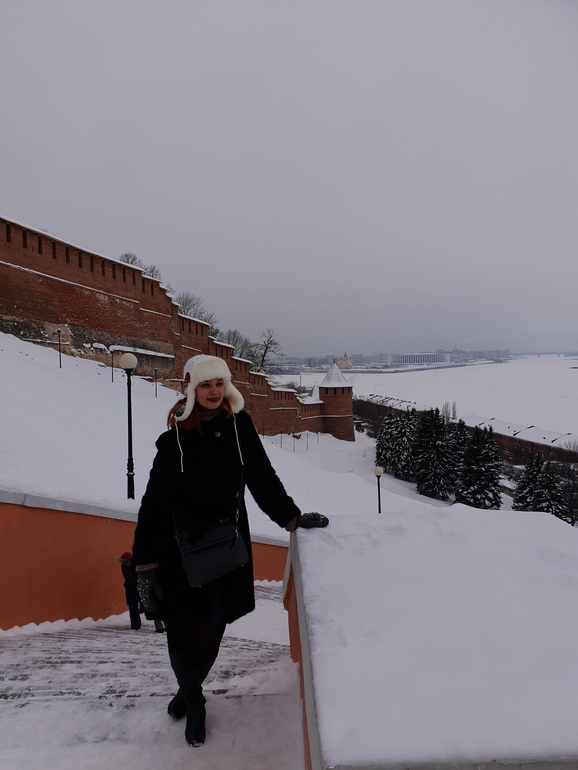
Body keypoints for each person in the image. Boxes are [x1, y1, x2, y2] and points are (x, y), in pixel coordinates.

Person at [131, 354, 328, 748]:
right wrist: (145, 564)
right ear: (190, 388)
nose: (214, 391)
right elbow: (154, 504)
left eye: (219, 383)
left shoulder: (240, 427)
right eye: (205, 385)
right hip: (178, 555)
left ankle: (188, 688)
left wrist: (291, 518)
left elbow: (262, 478)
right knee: (180, 633)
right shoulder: (173, 442)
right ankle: (195, 702)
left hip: (224, 552)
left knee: (210, 636)